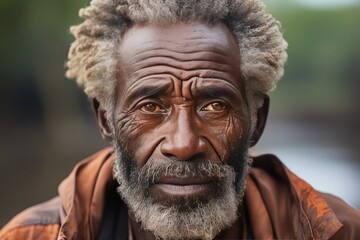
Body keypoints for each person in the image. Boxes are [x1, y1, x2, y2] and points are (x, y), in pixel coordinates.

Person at [1, 0, 359, 239]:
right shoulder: (34, 236)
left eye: (215, 106)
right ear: (106, 121)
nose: (184, 144)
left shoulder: (336, 231)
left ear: (256, 121)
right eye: (150, 107)